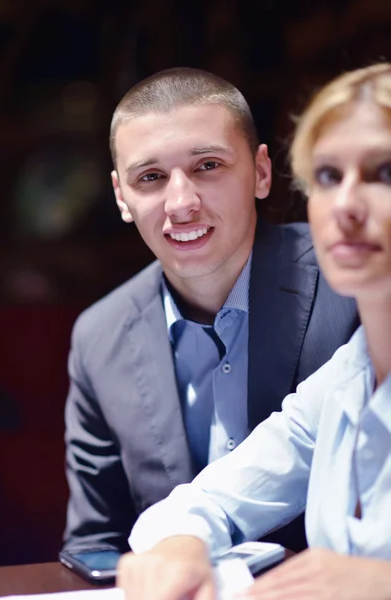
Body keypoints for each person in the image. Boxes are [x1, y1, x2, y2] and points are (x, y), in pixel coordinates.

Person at [116, 62, 391, 600]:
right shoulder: (351, 373)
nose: (346, 205)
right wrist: (181, 544)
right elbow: (205, 502)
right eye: (330, 176)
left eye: (385, 173)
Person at [63, 67, 358, 554]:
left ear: (262, 173)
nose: (181, 203)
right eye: (151, 177)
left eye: (208, 166)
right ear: (122, 196)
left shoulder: (352, 281)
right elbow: (97, 544)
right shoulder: (99, 336)